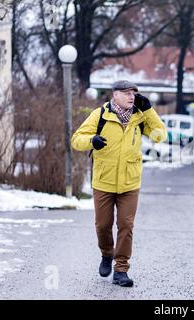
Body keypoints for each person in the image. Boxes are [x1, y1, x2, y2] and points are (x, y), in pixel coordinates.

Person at [71, 80, 167, 287]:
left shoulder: (140, 118)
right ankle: (107, 253)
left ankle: (121, 269)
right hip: (103, 182)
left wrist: (149, 111)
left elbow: (160, 136)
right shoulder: (100, 115)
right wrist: (92, 141)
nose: (131, 96)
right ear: (114, 95)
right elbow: (76, 139)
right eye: (125, 93)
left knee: (126, 226)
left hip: (130, 183)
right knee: (103, 226)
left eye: (133, 93)